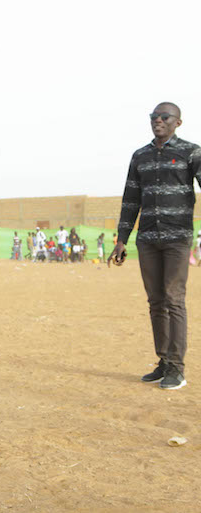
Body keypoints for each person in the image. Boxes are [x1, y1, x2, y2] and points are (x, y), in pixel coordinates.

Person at [109, 102, 200, 390]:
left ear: (178, 122)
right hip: (147, 239)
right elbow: (130, 199)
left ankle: (177, 367)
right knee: (156, 302)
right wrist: (121, 239)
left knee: (173, 298)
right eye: (154, 117)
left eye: (164, 117)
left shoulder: (191, 152)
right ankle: (163, 361)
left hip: (177, 237)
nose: (158, 121)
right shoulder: (140, 156)